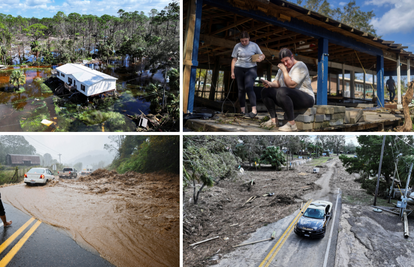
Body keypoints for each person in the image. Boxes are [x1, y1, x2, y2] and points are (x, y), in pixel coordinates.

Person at [261, 48, 314, 131]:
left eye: (287, 60)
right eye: (283, 62)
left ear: (292, 57)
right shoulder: (282, 68)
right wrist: (269, 83)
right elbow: (277, 83)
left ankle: (291, 124)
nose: (285, 64)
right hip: (288, 98)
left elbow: (291, 85)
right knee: (265, 91)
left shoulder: (300, 66)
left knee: (282, 91)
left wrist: (285, 71)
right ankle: (273, 120)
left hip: (306, 98)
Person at [231, 31, 265, 117]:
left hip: (251, 68)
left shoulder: (254, 45)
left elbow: (262, 55)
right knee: (241, 89)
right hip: (239, 68)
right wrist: (232, 72)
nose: (244, 42)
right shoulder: (237, 46)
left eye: (245, 40)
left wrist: (260, 59)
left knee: (249, 87)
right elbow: (234, 59)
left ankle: (254, 110)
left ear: (249, 39)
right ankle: (242, 111)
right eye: (242, 41)